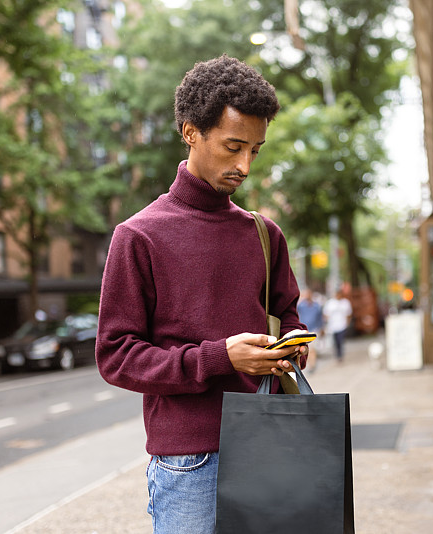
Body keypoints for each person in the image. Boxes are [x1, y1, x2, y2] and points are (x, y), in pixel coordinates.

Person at [95, 55, 307, 534]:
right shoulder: (139, 236)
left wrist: (290, 346)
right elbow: (116, 357)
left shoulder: (264, 234)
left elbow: (287, 315)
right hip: (191, 460)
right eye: (233, 146)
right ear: (191, 132)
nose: (244, 165)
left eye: (255, 150)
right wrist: (220, 358)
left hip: (269, 441)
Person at [323, 288, 353, 363]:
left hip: (342, 325)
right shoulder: (330, 303)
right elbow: (325, 314)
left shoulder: (345, 302)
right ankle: (337, 355)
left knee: (340, 340)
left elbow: (349, 314)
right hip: (333, 326)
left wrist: (347, 323)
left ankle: (340, 355)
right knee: (335, 342)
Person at [297, 288, 323, 370]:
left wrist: (321, 328)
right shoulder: (301, 305)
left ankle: (312, 365)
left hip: (314, 329)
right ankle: (310, 363)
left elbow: (320, 318)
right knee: (306, 349)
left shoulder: (316, 306)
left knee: (312, 349)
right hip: (304, 330)